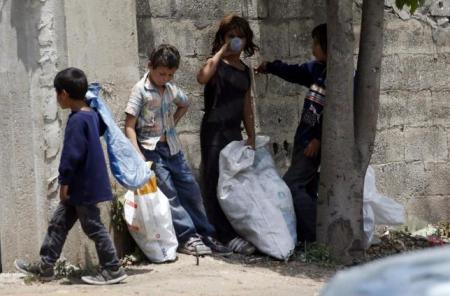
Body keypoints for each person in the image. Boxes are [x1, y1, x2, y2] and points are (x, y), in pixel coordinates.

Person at [14, 68, 127, 285]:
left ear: (64, 94)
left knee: (93, 226)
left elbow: (71, 155)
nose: (56, 99)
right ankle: (46, 267)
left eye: (56, 94)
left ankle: (112, 268)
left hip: (81, 186)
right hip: (85, 185)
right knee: (59, 223)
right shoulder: (92, 115)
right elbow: (102, 128)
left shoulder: (77, 120)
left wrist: (64, 182)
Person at [124, 44, 231, 256]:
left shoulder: (171, 89)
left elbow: (185, 103)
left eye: (170, 75)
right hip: (151, 150)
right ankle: (188, 237)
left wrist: (171, 123)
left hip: (173, 148)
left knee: (191, 190)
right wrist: (138, 154)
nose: (165, 78)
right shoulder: (140, 90)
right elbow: (129, 126)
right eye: (161, 73)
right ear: (150, 66)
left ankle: (205, 234)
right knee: (170, 194)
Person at [255, 23, 327, 243]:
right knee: (306, 186)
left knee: (292, 185)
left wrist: (319, 139)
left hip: (312, 144)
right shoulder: (317, 71)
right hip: (303, 140)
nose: (312, 48)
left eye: (316, 43)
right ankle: (308, 235)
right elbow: (294, 72)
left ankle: (316, 237)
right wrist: (270, 67)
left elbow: (337, 114)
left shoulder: (341, 77)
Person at [197, 14, 258, 255]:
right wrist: (222, 51)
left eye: (240, 37)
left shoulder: (245, 71)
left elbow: (247, 105)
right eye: (231, 36)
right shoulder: (215, 64)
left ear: (246, 41)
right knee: (213, 179)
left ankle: (233, 231)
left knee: (231, 183)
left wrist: (251, 135)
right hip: (213, 129)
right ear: (223, 38)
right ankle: (220, 235)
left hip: (233, 132)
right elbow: (201, 77)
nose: (235, 41)